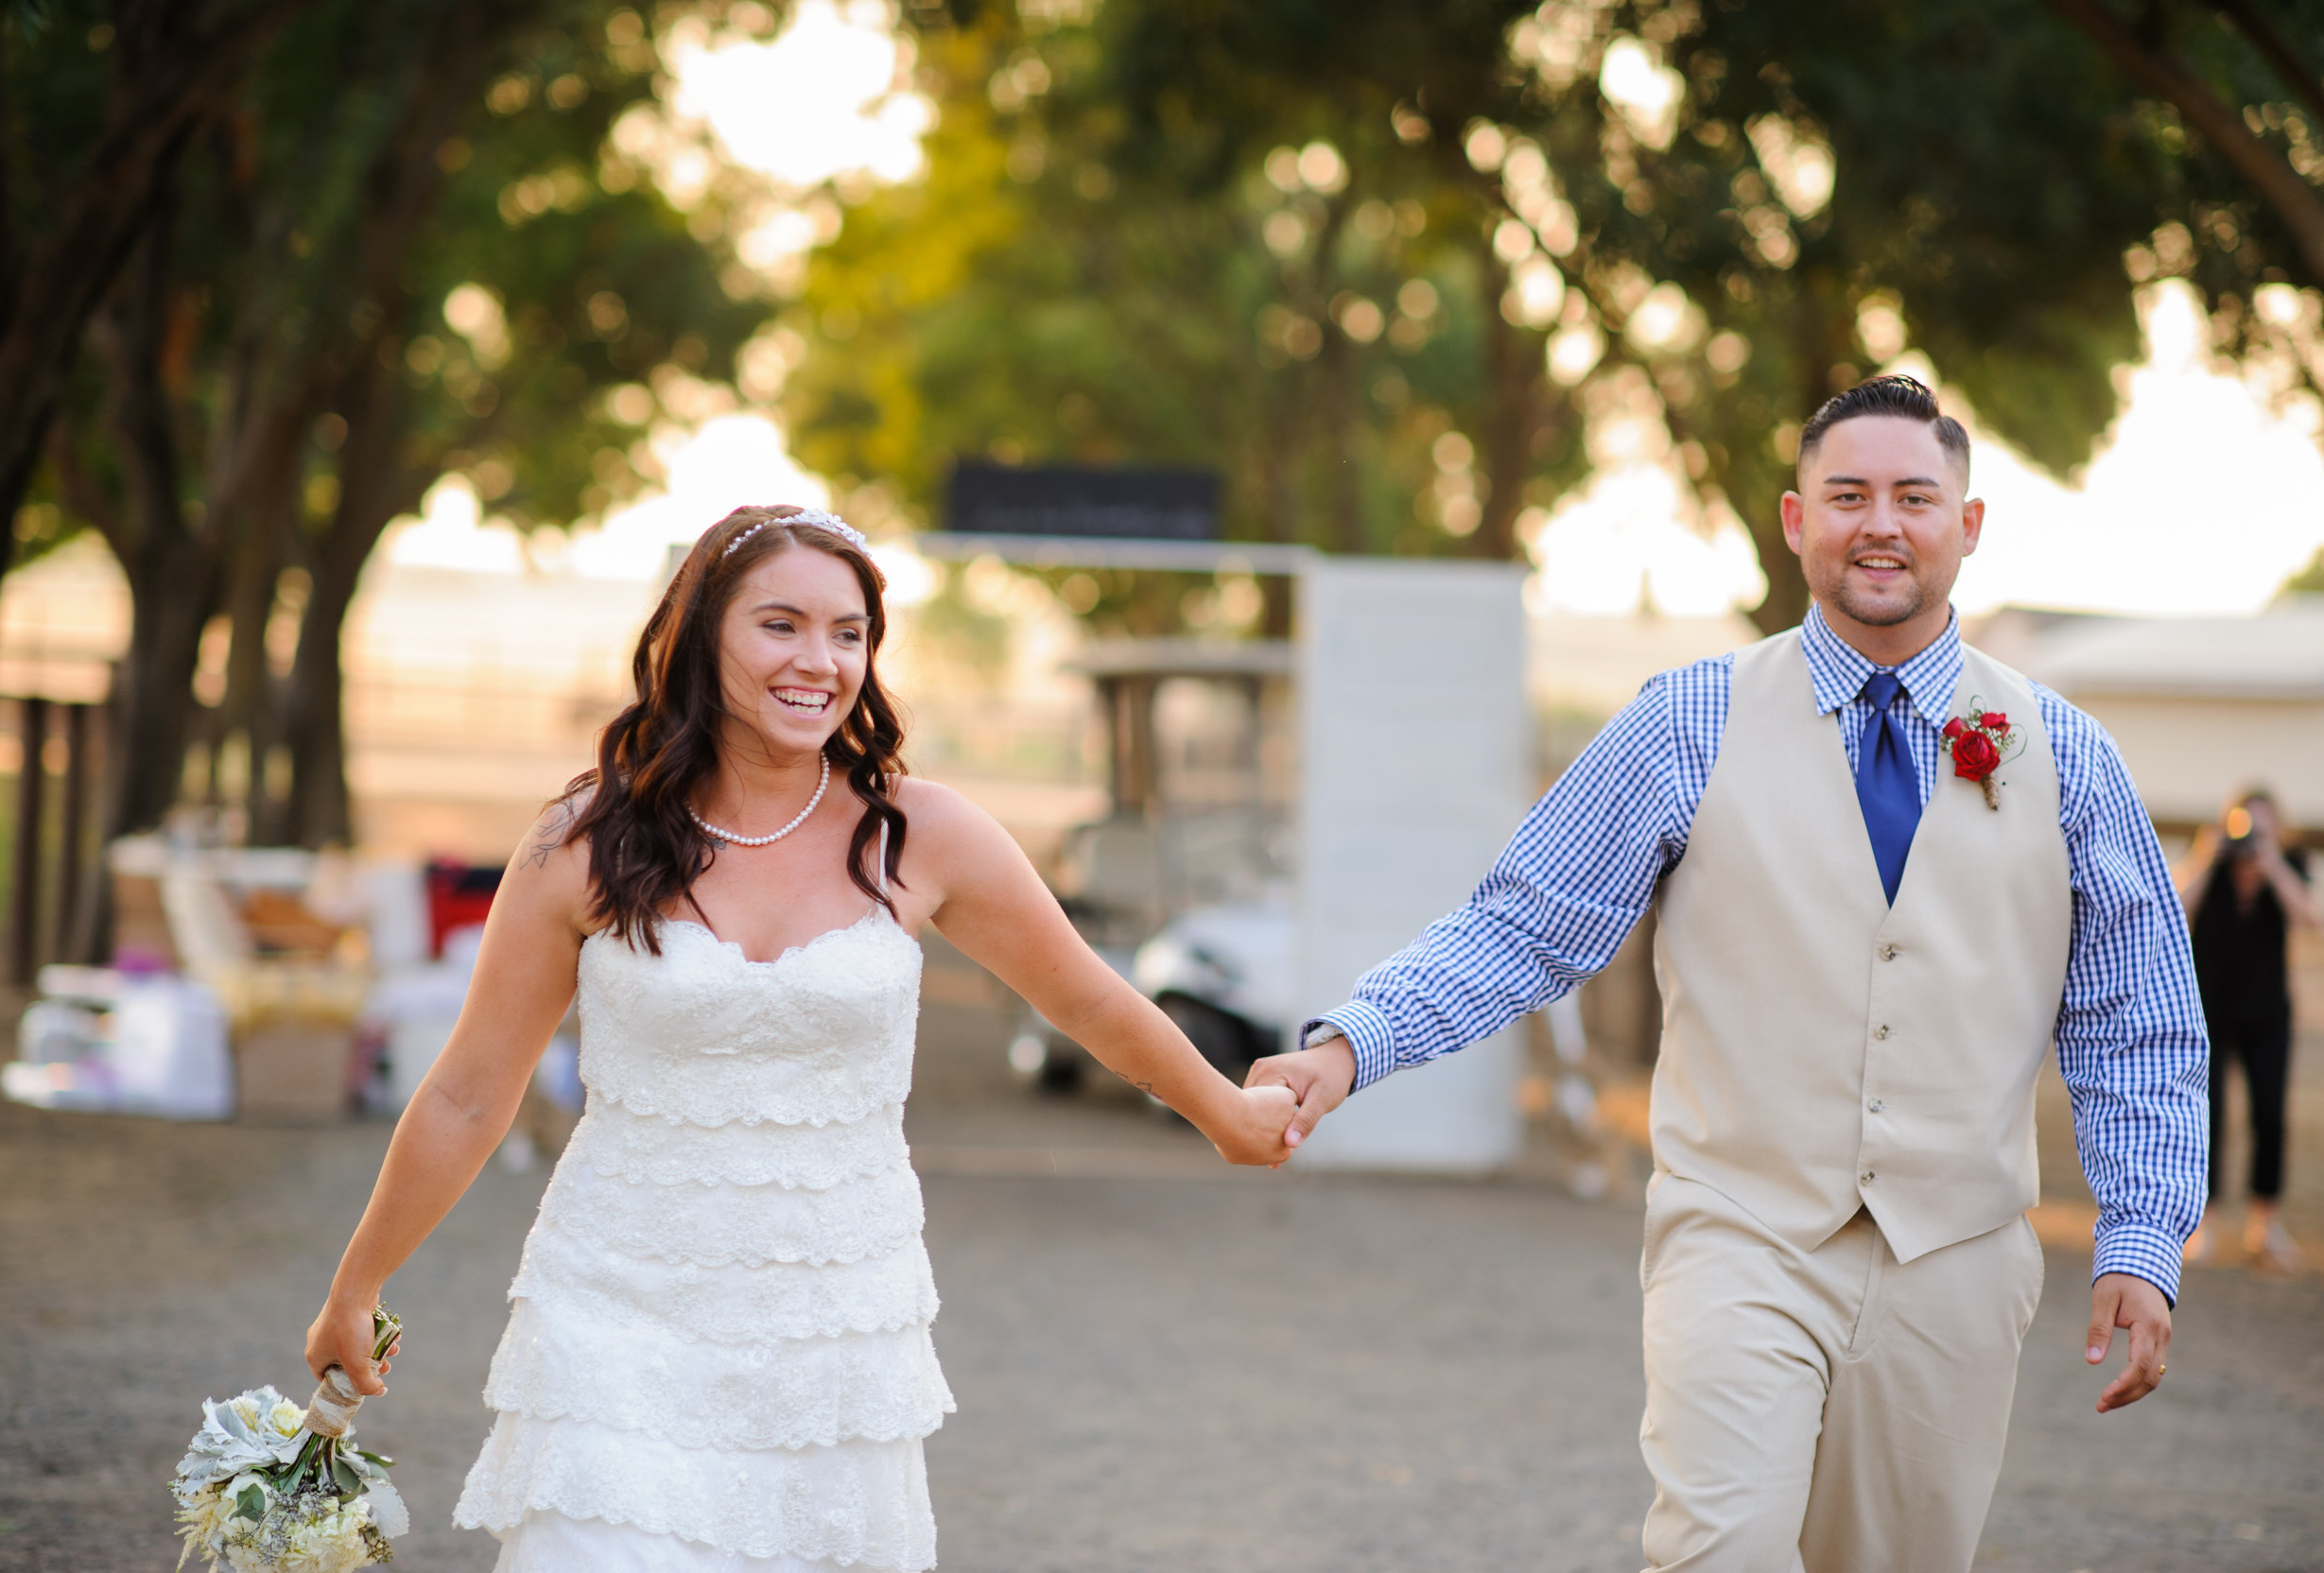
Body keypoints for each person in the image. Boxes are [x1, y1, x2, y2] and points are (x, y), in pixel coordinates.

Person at [1250, 375, 2209, 1572]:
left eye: (1915, 496)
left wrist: (2140, 1237)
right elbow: (1524, 924)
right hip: (1739, 1231)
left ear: (1967, 527)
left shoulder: (2067, 752)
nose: (1881, 522)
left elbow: (2139, 1022)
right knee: (1719, 1548)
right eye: (1846, 493)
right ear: (1794, 520)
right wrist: (1351, 1044)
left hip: (1955, 1257)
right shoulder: (1684, 719)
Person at [304, 505, 1297, 1572]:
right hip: (617, 1314)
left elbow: (1092, 1002)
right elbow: (466, 1091)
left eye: (848, 633)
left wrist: (1227, 1112)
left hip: (833, 1333)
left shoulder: (922, 832)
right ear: (702, 636)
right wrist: (356, 1283)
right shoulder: (584, 843)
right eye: (779, 624)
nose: (818, 662)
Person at [2174, 786, 2317, 1270]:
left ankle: (2264, 1226)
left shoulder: (2289, 863)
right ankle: (2203, 1224)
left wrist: (2273, 864)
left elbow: (2311, 917)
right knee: (2205, 1116)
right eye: (2244, 826)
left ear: (2278, 830)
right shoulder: (2211, 867)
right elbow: (2172, 910)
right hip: (2208, 1010)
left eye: (2262, 827)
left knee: (2271, 1116)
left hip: (2267, 1013)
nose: (2251, 837)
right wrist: (2204, 858)